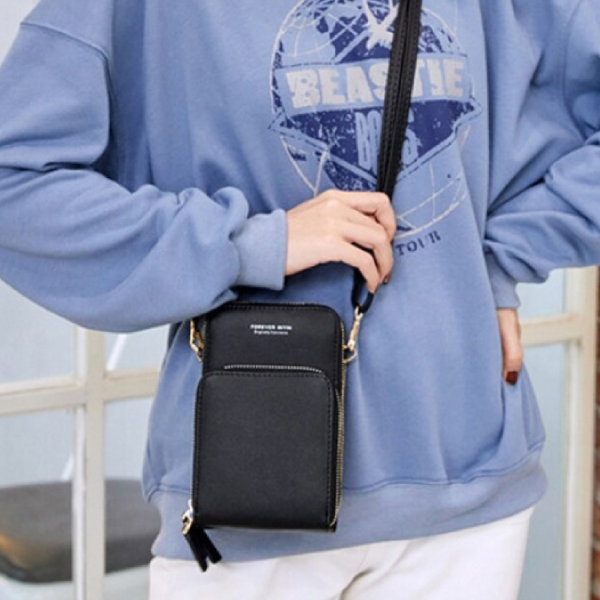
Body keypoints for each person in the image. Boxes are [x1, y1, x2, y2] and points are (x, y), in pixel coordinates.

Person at [0, 0, 598, 598]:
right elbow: (15, 187)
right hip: (251, 483)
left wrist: (500, 256)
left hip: (465, 489)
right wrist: (250, 243)